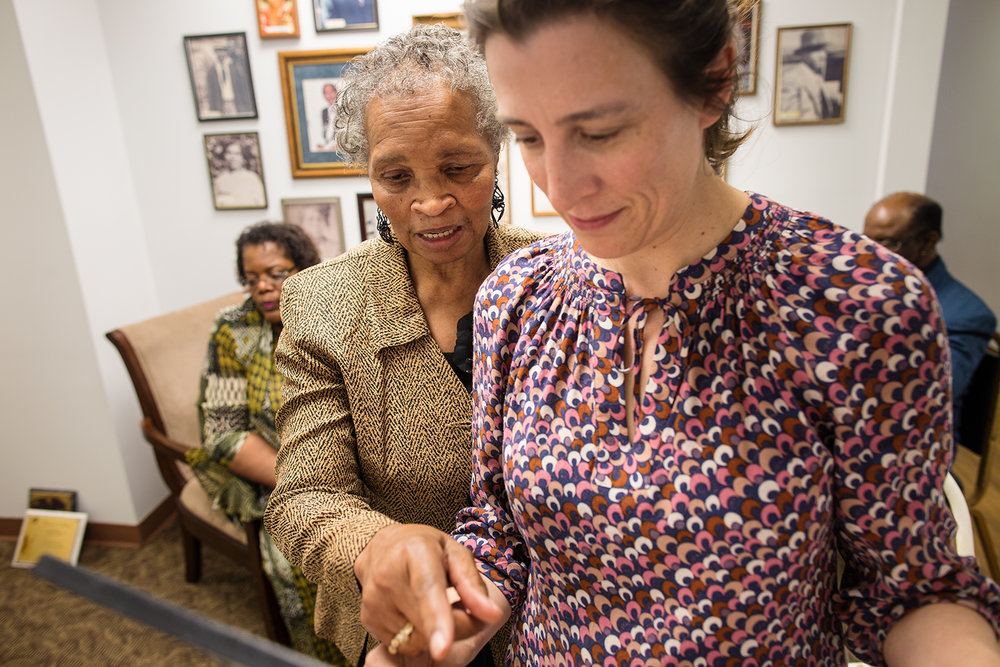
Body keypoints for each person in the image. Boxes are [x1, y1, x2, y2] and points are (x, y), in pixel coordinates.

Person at [356, 2, 1000, 666]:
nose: (560, 186)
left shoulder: (854, 304)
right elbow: (500, 537)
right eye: (529, 137)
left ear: (714, 81)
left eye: (600, 130)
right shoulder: (517, 299)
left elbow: (912, 590)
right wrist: (448, 617)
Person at [262, 24, 546, 667]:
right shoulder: (323, 304)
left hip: (550, 621)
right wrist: (378, 545)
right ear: (368, 176)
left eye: (458, 167)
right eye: (396, 177)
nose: (431, 201)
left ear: (497, 151)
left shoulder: (556, 277)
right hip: (403, 630)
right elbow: (306, 493)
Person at [187, 222, 346, 664]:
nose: (263, 287)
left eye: (276, 273)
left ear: (306, 269)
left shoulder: (334, 312)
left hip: (352, 464)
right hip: (278, 474)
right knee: (302, 561)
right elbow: (222, 431)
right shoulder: (233, 329)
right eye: (251, 277)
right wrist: (303, 485)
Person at [864, 191, 997, 436]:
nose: (870, 254)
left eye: (886, 243)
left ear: (927, 242)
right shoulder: (866, 288)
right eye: (865, 241)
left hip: (917, 443)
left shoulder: (966, 314)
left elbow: (935, 394)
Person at [778, 28, 841, 122]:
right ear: (803, 54)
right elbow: (788, 118)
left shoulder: (816, 77)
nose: (822, 55)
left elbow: (832, 95)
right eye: (816, 51)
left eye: (824, 50)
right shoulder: (790, 79)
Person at [213, 140, 266, 208]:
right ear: (224, 155)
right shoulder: (219, 180)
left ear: (243, 157)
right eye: (229, 153)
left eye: (237, 154)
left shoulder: (252, 178)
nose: (233, 157)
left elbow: (261, 202)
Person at [317, 83, 339, 151]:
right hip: (327, 147)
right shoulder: (324, 112)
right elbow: (323, 131)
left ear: (337, 93)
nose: (329, 95)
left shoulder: (344, 111)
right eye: (326, 93)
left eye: (331, 92)